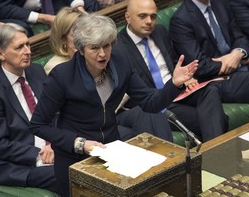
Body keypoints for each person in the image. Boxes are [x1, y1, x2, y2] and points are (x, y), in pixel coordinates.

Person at [29, 13, 198, 196]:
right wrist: (79, 143)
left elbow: (150, 104)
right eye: (94, 48)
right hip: (74, 159)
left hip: (110, 152)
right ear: (81, 49)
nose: (102, 54)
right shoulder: (62, 76)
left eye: (106, 46)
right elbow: (38, 125)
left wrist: (174, 84)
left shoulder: (120, 62)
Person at [113, 0, 228, 142]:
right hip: (156, 102)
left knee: (210, 90)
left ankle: (215, 153)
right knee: (219, 120)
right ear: (128, 17)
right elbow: (135, 91)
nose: (149, 21)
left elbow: (173, 62)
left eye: (153, 17)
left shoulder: (159, 32)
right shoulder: (118, 47)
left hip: (178, 91)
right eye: (143, 16)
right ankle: (217, 155)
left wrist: (184, 77)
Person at [0, 23, 58, 194]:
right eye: (19, 47)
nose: (28, 51)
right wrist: (40, 153)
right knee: (66, 173)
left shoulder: (36, 72)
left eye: (28, 44)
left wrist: (56, 144)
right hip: (18, 164)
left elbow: (56, 112)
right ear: (0, 54)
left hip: (53, 149)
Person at [169, 0, 249, 104]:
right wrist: (232, 62)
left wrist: (238, 54)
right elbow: (199, 66)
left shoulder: (220, 2)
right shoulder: (180, 20)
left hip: (241, 66)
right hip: (217, 80)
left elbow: (240, 37)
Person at [44, 7, 83, 75]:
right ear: (63, 40)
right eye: (76, 34)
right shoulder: (54, 67)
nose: (83, 37)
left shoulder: (92, 56)